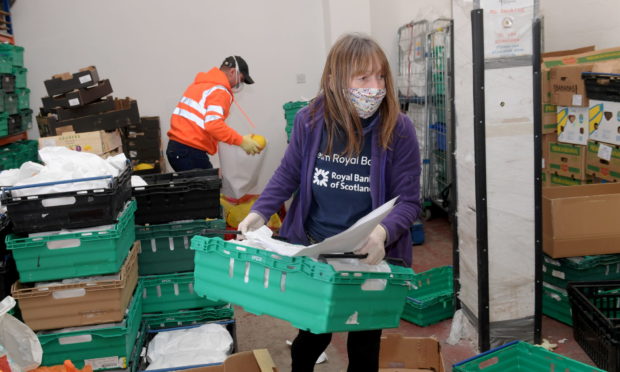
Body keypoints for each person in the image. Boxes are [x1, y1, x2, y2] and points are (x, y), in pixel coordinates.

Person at [238, 34, 421, 372]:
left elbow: (409, 202)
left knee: (364, 348)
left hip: (368, 257)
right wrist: (259, 212)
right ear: (336, 80)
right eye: (363, 77)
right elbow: (288, 174)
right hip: (316, 250)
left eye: (380, 76)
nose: (375, 87)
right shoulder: (310, 121)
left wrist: (382, 233)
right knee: (311, 336)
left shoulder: (398, 128)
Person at [166, 55, 261, 171]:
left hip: (176, 148)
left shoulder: (200, 85)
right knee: (209, 187)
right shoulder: (220, 91)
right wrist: (241, 141)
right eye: (240, 79)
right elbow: (214, 125)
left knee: (204, 185)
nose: (239, 85)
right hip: (190, 150)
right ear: (232, 72)